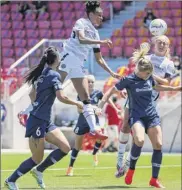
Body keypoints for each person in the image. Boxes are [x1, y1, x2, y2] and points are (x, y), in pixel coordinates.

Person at [98, 48, 181, 188]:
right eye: (146, 74)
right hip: (136, 116)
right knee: (140, 140)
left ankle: (154, 179)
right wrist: (100, 105)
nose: (147, 76)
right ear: (139, 71)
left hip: (151, 115)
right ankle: (131, 169)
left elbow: (157, 88)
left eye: (149, 74)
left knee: (159, 145)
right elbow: (111, 90)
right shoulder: (128, 80)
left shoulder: (149, 77)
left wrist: (175, 89)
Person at [5, 47, 83, 190]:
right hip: (37, 121)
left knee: (65, 147)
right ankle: (11, 180)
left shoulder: (41, 74)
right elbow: (61, 96)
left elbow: (31, 94)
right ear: (57, 60)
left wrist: (35, 105)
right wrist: (77, 103)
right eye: (60, 58)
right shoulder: (54, 75)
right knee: (37, 158)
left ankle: (39, 171)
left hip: (45, 120)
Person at [116, 35, 177, 178]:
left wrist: (150, 75)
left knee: (145, 138)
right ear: (154, 44)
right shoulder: (147, 58)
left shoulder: (169, 64)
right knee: (125, 125)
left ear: (168, 47)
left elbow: (166, 83)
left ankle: (129, 162)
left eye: (165, 43)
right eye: (159, 42)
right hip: (135, 97)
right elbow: (134, 76)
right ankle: (120, 159)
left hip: (151, 101)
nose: (161, 45)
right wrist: (126, 88)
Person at [58, 1, 120, 140]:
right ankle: (28, 112)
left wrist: (111, 72)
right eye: (98, 15)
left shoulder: (96, 33)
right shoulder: (81, 22)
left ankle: (94, 129)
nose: (101, 18)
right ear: (91, 14)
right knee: (53, 88)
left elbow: (99, 59)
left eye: (102, 15)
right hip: (68, 57)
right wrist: (102, 42)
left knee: (86, 97)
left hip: (78, 63)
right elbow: (81, 39)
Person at [66, 75, 120, 176]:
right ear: (85, 83)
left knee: (100, 138)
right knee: (77, 146)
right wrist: (93, 108)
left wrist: (116, 109)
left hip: (95, 122)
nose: (90, 84)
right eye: (89, 82)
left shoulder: (98, 93)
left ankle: (94, 153)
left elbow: (106, 98)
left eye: (92, 82)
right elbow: (79, 110)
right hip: (82, 121)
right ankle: (70, 167)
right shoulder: (81, 94)